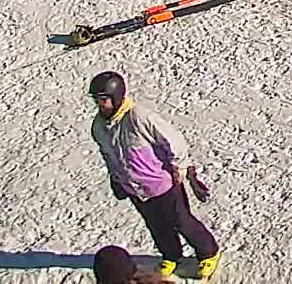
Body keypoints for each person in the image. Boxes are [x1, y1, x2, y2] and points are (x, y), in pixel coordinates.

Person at [88, 71, 219, 278]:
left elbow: (173, 140)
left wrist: (180, 167)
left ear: (117, 96)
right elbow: (108, 154)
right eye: (96, 100)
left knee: (181, 221)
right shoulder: (98, 127)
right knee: (156, 225)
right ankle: (172, 255)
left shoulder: (139, 117)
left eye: (104, 99)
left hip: (163, 183)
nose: (100, 105)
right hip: (135, 189)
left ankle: (208, 253)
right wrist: (116, 179)